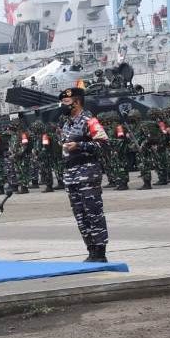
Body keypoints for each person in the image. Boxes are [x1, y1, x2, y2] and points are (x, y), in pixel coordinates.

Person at [58, 85, 110, 262]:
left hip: (87, 174)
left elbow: (104, 144)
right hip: (71, 175)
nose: (63, 105)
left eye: (66, 102)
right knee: (80, 215)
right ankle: (91, 251)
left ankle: (100, 252)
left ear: (77, 102)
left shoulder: (89, 120)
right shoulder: (66, 124)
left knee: (93, 213)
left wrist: (80, 145)